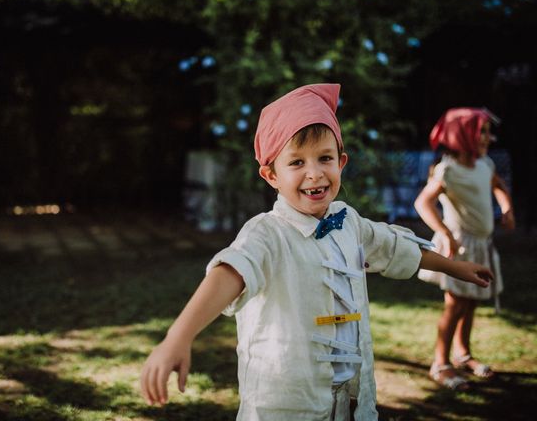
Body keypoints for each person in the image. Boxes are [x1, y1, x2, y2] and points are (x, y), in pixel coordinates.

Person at [141, 85, 493, 420]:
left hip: (347, 400)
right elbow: (230, 272)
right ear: (271, 175)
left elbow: (392, 245)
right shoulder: (267, 234)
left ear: (341, 162)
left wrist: (452, 266)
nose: (314, 173)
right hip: (287, 401)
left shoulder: (348, 221)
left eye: (324, 158)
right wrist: (179, 337)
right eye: (296, 163)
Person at [414, 107, 514, 391]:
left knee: (471, 303)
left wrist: (507, 209)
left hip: (482, 245)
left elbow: (499, 186)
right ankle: (440, 364)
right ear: (462, 135)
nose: (487, 138)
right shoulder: (449, 169)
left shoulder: (486, 166)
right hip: (460, 248)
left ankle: (462, 354)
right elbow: (422, 203)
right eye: (480, 132)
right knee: (455, 304)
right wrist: (445, 233)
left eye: (486, 132)